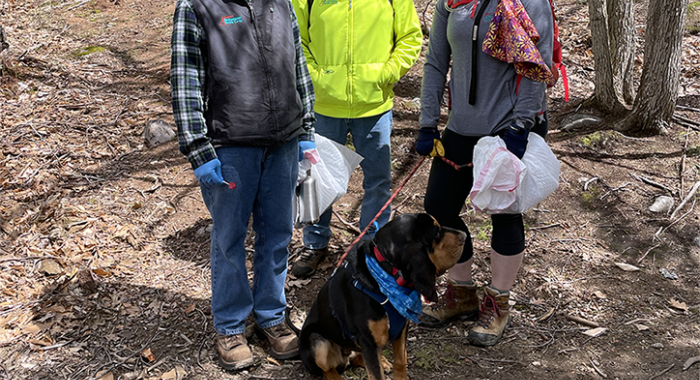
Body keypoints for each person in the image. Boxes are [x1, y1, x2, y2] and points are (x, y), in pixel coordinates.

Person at [170, 0, 317, 370]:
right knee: (229, 238)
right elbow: (185, 80)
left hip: (283, 140)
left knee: (279, 233)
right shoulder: (197, 6)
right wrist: (198, 149)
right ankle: (231, 325)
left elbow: (297, 64)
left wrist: (307, 128)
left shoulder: (281, 3)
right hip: (231, 146)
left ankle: (271, 315)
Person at [415, 0, 554, 347]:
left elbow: (537, 64)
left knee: (505, 215)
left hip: (507, 126)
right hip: (459, 127)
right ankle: (462, 294)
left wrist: (522, 124)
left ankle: (498, 303)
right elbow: (435, 63)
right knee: (439, 208)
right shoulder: (452, 2)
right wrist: (428, 122)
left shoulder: (529, 2)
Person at [290, 0, 423, 278]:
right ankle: (315, 243)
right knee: (314, 178)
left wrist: (385, 74)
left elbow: (410, 37)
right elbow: (295, 38)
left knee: (378, 181)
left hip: (374, 107)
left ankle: (371, 247)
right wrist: (317, 79)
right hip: (324, 106)